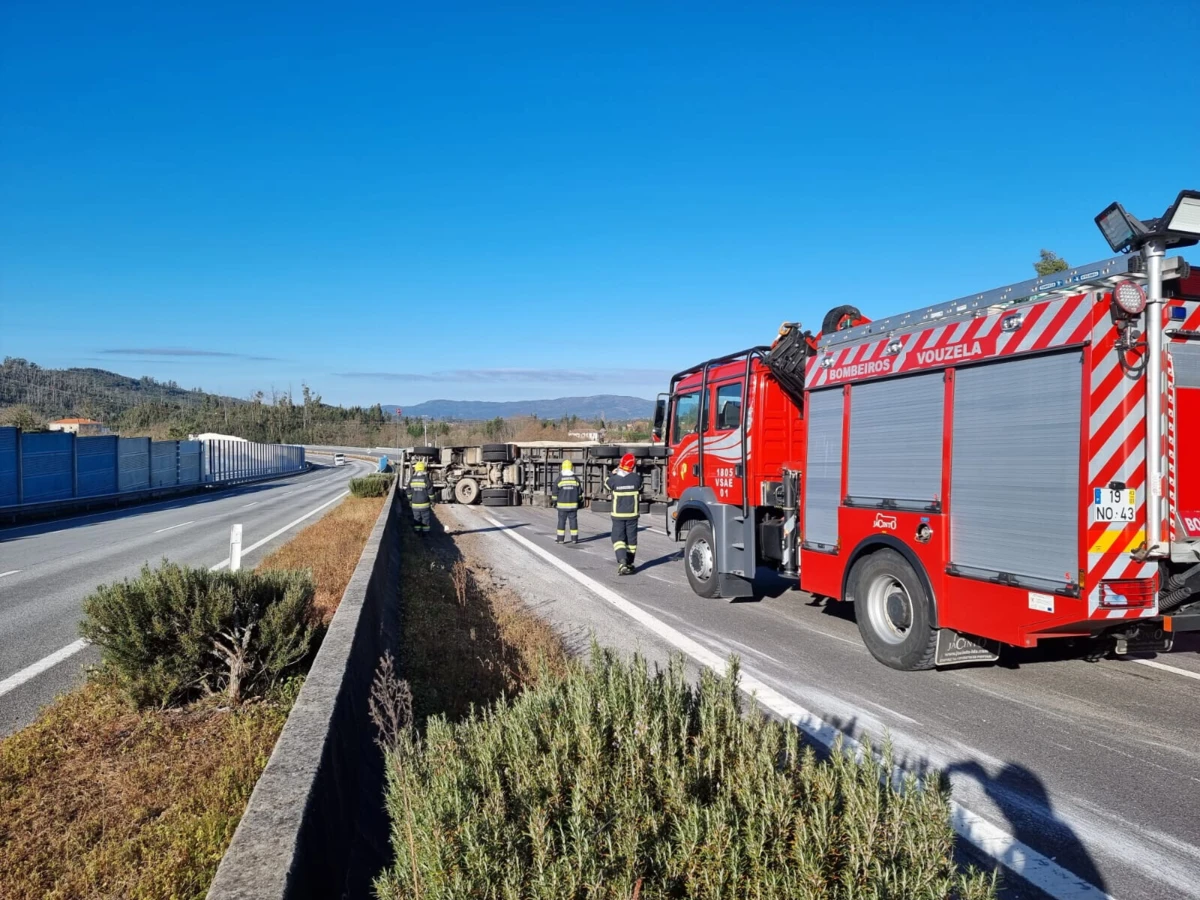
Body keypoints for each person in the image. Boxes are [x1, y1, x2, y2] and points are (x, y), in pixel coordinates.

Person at [606, 453, 642, 574]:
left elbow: (607, 484)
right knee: (631, 540)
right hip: (632, 515)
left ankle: (622, 563)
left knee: (618, 538)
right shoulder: (636, 478)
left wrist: (612, 473)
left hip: (618, 515)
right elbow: (640, 485)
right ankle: (630, 563)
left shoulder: (614, 479)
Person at [552, 459, 581, 543]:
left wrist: (554, 502)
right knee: (573, 521)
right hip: (573, 505)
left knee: (561, 521)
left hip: (562, 505)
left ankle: (560, 539)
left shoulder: (559, 479)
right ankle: (574, 539)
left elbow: (555, 493)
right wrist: (580, 502)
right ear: (571, 467)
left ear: (562, 467)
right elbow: (580, 493)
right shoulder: (576, 479)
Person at [407, 460, 433, 534]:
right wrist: (433, 501)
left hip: (415, 505)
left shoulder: (412, 479)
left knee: (416, 519)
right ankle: (425, 535)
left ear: (416, 469)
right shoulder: (426, 479)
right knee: (425, 519)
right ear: (423, 469)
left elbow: (408, 490)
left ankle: (417, 534)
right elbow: (430, 492)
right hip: (425, 505)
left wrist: (410, 499)